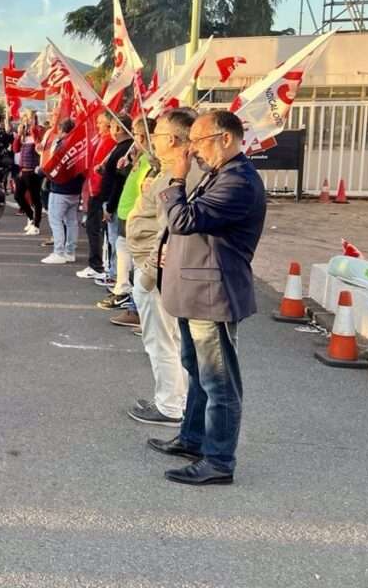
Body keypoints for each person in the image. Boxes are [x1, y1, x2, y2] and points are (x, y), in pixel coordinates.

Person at [147, 110, 266, 486]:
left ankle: (218, 460)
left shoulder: (239, 181)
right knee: (196, 370)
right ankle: (193, 438)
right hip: (195, 290)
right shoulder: (220, 174)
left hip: (213, 294)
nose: (193, 149)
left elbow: (183, 220)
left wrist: (177, 178)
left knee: (219, 381)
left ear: (225, 138)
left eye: (199, 141)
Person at [125, 108, 200, 426]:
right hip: (159, 268)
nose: (152, 139)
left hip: (156, 271)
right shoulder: (175, 170)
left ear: (172, 139)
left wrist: (147, 273)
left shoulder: (177, 176)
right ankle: (177, 401)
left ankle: (169, 406)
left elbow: (168, 233)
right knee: (173, 339)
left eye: (157, 134)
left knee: (160, 340)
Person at [106, 118, 156, 328]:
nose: (134, 138)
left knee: (139, 265)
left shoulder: (153, 161)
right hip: (127, 213)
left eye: (136, 134)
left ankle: (137, 310)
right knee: (124, 255)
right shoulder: (140, 157)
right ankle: (129, 299)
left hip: (137, 216)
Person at [95, 115, 134, 303]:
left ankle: (118, 278)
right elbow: (113, 174)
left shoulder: (127, 150)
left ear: (118, 129)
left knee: (116, 242)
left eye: (111, 126)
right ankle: (115, 276)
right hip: (113, 201)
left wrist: (110, 206)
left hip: (117, 203)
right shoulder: (120, 148)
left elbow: (119, 181)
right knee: (114, 242)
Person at [76, 112, 116, 281]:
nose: (97, 125)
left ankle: (97, 265)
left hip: (99, 192)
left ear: (109, 125)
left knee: (96, 229)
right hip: (95, 190)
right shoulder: (102, 140)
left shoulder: (109, 142)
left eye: (100, 122)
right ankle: (98, 264)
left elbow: (101, 170)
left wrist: (96, 190)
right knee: (94, 228)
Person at [41, 119, 84, 264]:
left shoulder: (62, 145)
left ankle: (58, 252)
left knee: (55, 220)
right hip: (75, 188)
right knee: (71, 221)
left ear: (61, 130)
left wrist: (42, 170)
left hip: (60, 188)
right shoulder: (80, 145)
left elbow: (54, 164)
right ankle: (70, 252)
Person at [12, 111, 44, 236]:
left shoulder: (39, 131)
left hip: (33, 170)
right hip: (23, 170)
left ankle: (36, 225)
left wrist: (34, 133)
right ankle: (30, 216)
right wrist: (19, 135)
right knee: (18, 196)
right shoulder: (23, 135)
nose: (28, 121)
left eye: (31, 119)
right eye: (26, 119)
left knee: (36, 199)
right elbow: (15, 149)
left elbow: (39, 148)